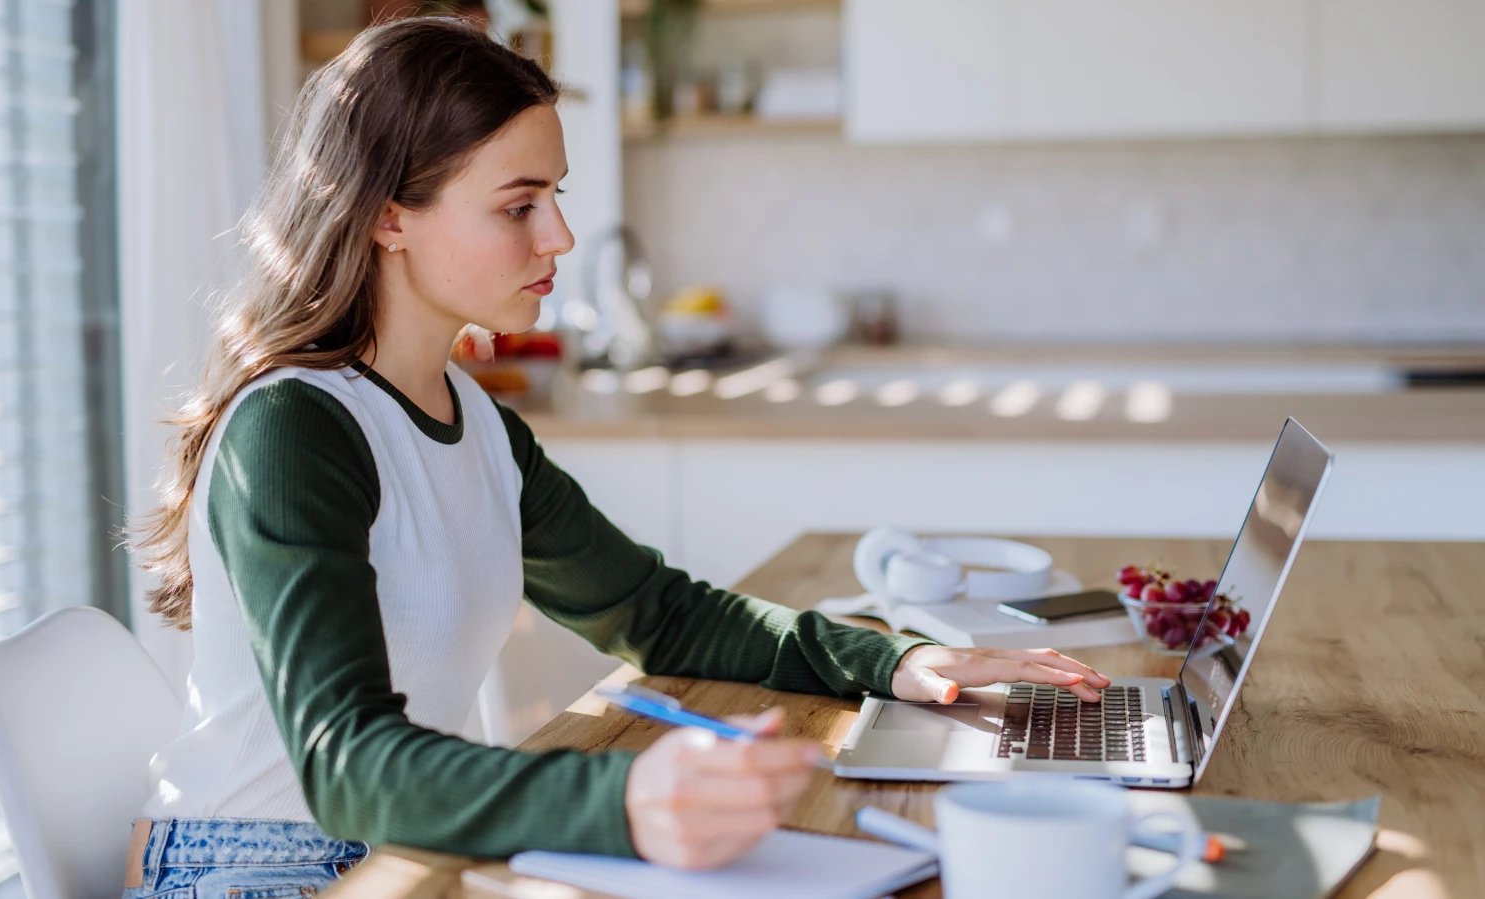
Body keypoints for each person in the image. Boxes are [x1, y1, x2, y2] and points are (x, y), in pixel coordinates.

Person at [126, 17, 1109, 898]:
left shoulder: (472, 417)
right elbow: (344, 762)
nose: (557, 235)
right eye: (517, 205)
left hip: (400, 846)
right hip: (257, 860)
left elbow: (657, 611)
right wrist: (626, 793)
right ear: (389, 216)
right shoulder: (294, 428)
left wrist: (901, 661)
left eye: (553, 196)